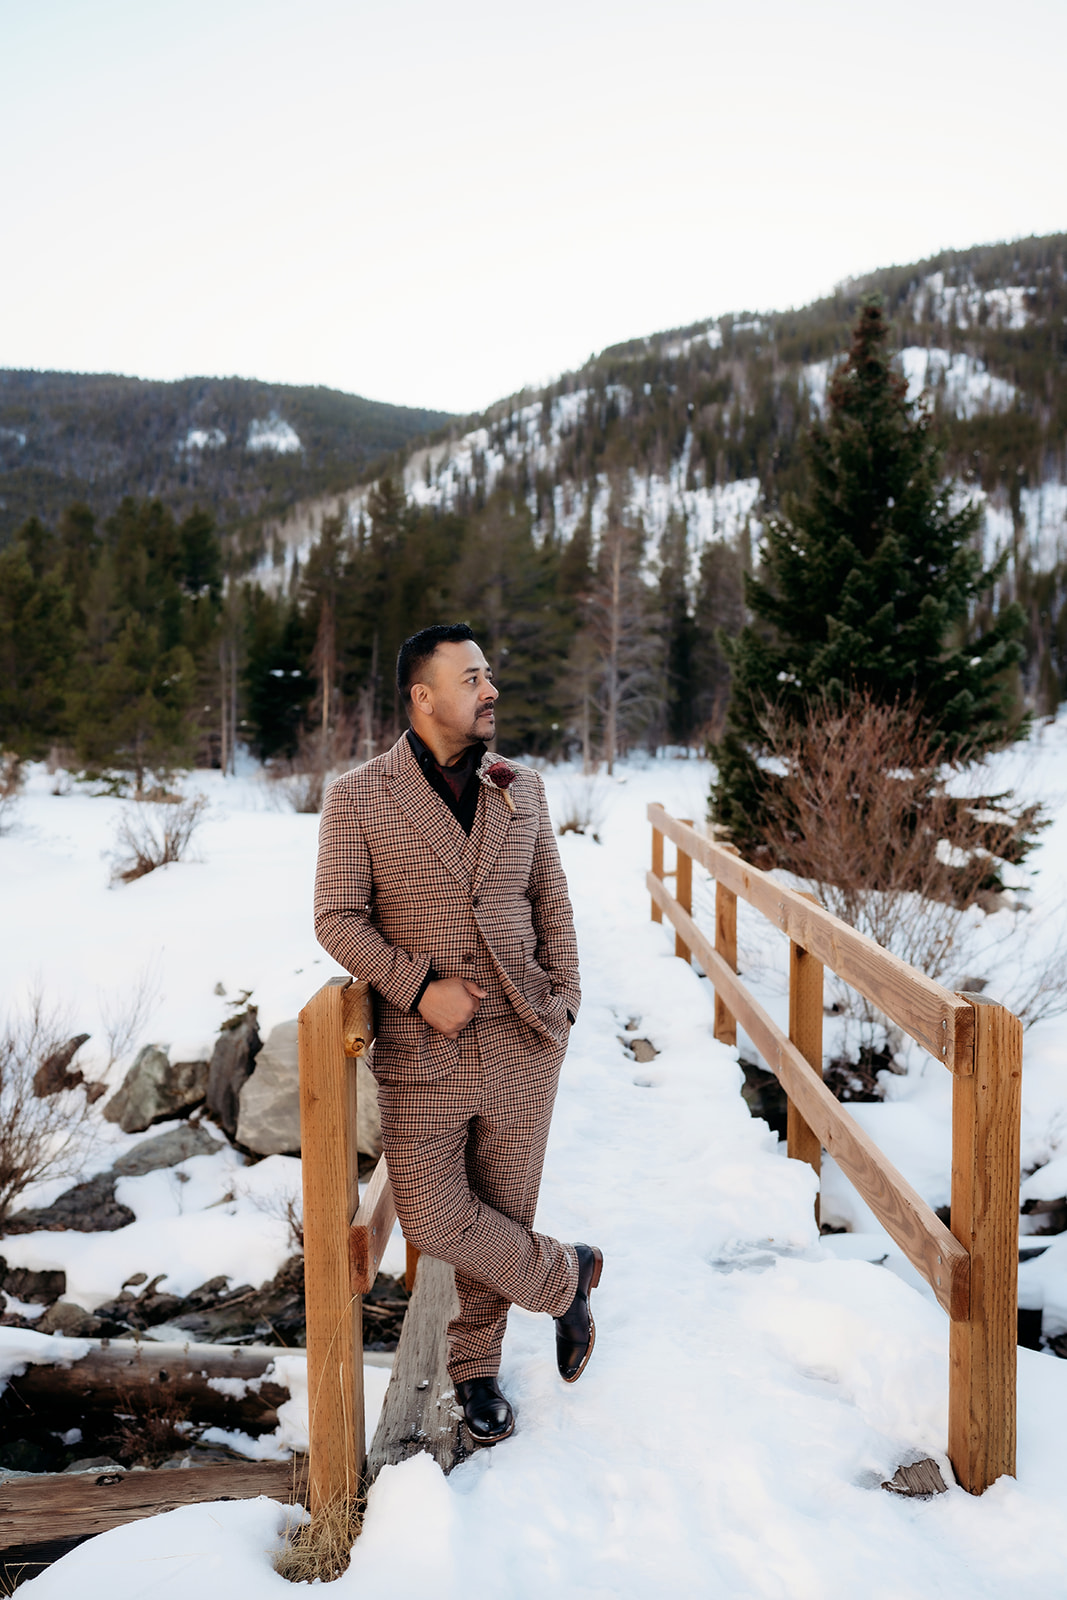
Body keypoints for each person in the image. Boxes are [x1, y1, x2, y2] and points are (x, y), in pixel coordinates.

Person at [314, 623, 602, 1446]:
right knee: (440, 1219)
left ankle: (476, 1370)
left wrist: (567, 1002)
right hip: (424, 1050)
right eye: (471, 678)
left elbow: (552, 902)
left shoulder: (524, 788)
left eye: (489, 675)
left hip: (524, 1037)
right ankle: (565, 1276)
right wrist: (415, 988)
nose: (490, 690)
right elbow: (336, 917)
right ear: (423, 695)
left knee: (505, 1209)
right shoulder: (359, 796)